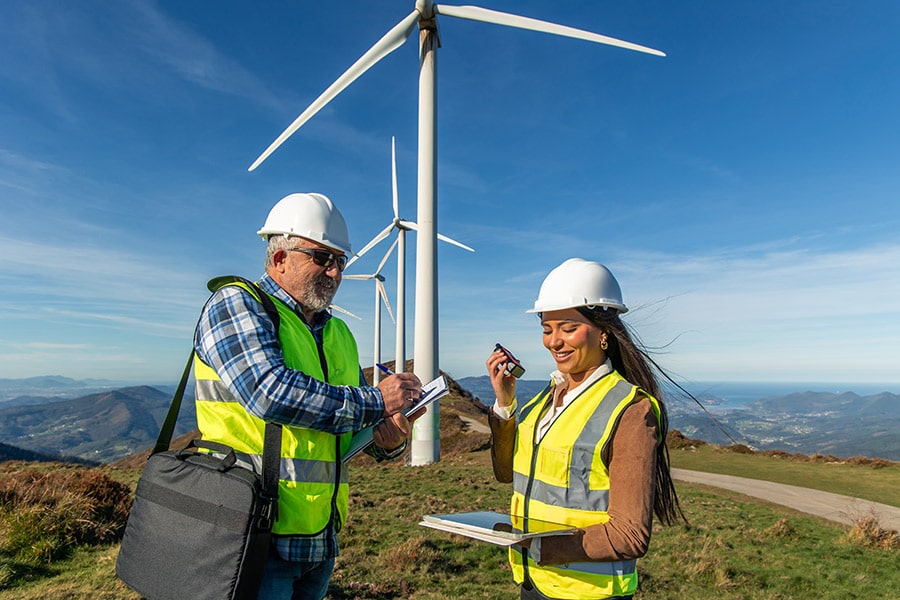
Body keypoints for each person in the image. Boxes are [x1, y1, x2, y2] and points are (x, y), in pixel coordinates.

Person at [193, 192, 423, 600]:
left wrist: (386, 437)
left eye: (340, 262)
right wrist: (376, 402)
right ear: (280, 258)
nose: (335, 274)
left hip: (320, 538)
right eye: (322, 258)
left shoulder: (340, 335)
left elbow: (346, 428)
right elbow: (269, 392)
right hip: (253, 535)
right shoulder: (237, 304)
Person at [486, 258, 684, 600]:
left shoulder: (630, 410)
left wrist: (541, 548)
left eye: (568, 328)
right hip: (533, 584)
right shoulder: (541, 403)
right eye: (547, 329)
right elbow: (507, 474)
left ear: (604, 332)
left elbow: (630, 534)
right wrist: (505, 405)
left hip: (589, 593)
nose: (554, 342)